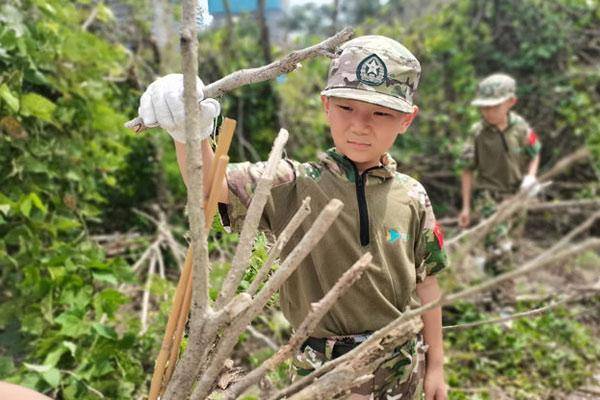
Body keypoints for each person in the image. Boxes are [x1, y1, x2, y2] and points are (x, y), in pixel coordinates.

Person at [138, 35, 449, 400]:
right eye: (347, 107)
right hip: (317, 369)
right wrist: (188, 133)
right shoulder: (293, 182)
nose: (361, 125)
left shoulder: (412, 196)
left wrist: (437, 366)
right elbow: (211, 186)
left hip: (400, 364)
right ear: (326, 106)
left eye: (381, 113)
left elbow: (427, 284)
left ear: (406, 120)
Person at [458, 73, 542, 303]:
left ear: (510, 102)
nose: (488, 112)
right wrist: (466, 207)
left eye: (494, 107)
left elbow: (535, 152)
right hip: (489, 198)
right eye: (484, 108)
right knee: (500, 248)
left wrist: (531, 177)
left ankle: (494, 284)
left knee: (511, 248)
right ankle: (505, 303)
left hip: (516, 196)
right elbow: (467, 169)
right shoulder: (477, 132)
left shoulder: (521, 128)